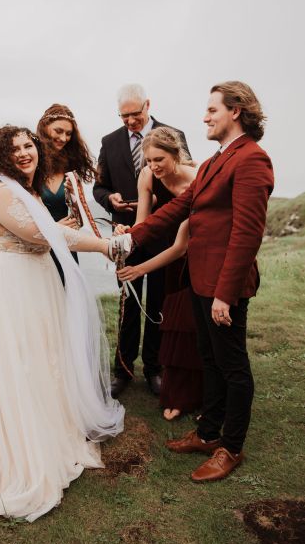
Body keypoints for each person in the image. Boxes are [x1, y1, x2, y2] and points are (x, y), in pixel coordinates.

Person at [0, 126, 124, 521]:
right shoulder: (0, 192)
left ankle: (46, 432)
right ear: (1, 157)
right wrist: (104, 244)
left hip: (34, 281)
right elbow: (39, 234)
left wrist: (71, 230)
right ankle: (16, 451)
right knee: (15, 362)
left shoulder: (25, 191)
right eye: (15, 150)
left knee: (42, 355)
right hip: (6, 285)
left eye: (29, 145)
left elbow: (49, 234)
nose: (25, 153)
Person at [115, 81, 274, 481]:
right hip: (200, 281)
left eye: (212, 110)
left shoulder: (252, 159)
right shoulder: (216, 160)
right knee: (210, 361)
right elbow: (177, 210)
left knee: (233, 366)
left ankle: (231, 447)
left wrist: (225, 294)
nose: (204, 116)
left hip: (224, 286)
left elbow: (247, 234)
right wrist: (128, 239)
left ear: (235, 111)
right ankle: (207, 433)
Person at [93, 83, 189, 398]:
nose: (131, 121)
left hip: (165, 235)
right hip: (128, 232)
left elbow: (187, 180)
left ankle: (155, 368)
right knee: (129, 304)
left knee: (160, 301)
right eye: (124, 116)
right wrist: (112, 200)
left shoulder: (174, 135)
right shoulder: (109, 142)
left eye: (135, 114)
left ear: (148, 105)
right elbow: (99, 186)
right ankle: (123, 369)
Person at [115, 127, 203, 421]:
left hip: (189, 249)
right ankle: (148, 373)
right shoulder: (148, 176)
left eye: (159, 160)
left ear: (176, 154)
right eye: (148, 161)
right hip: (160, 239)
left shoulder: (198, 179)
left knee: (177, 316)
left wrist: (140, 266)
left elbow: (181, 246)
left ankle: (167, 374)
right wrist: (128, 234)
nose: (153, 167)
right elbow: (144, 222)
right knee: (162, 316)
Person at [36, 104, 96, 273]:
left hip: (66, 248)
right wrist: (54, 228)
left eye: (69, 134)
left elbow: (77, 212)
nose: (63, 138)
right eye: (58, 131)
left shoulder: (70, 168)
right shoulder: (30, 165)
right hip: (39, 249)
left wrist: (76, 219)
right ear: (44, 128)